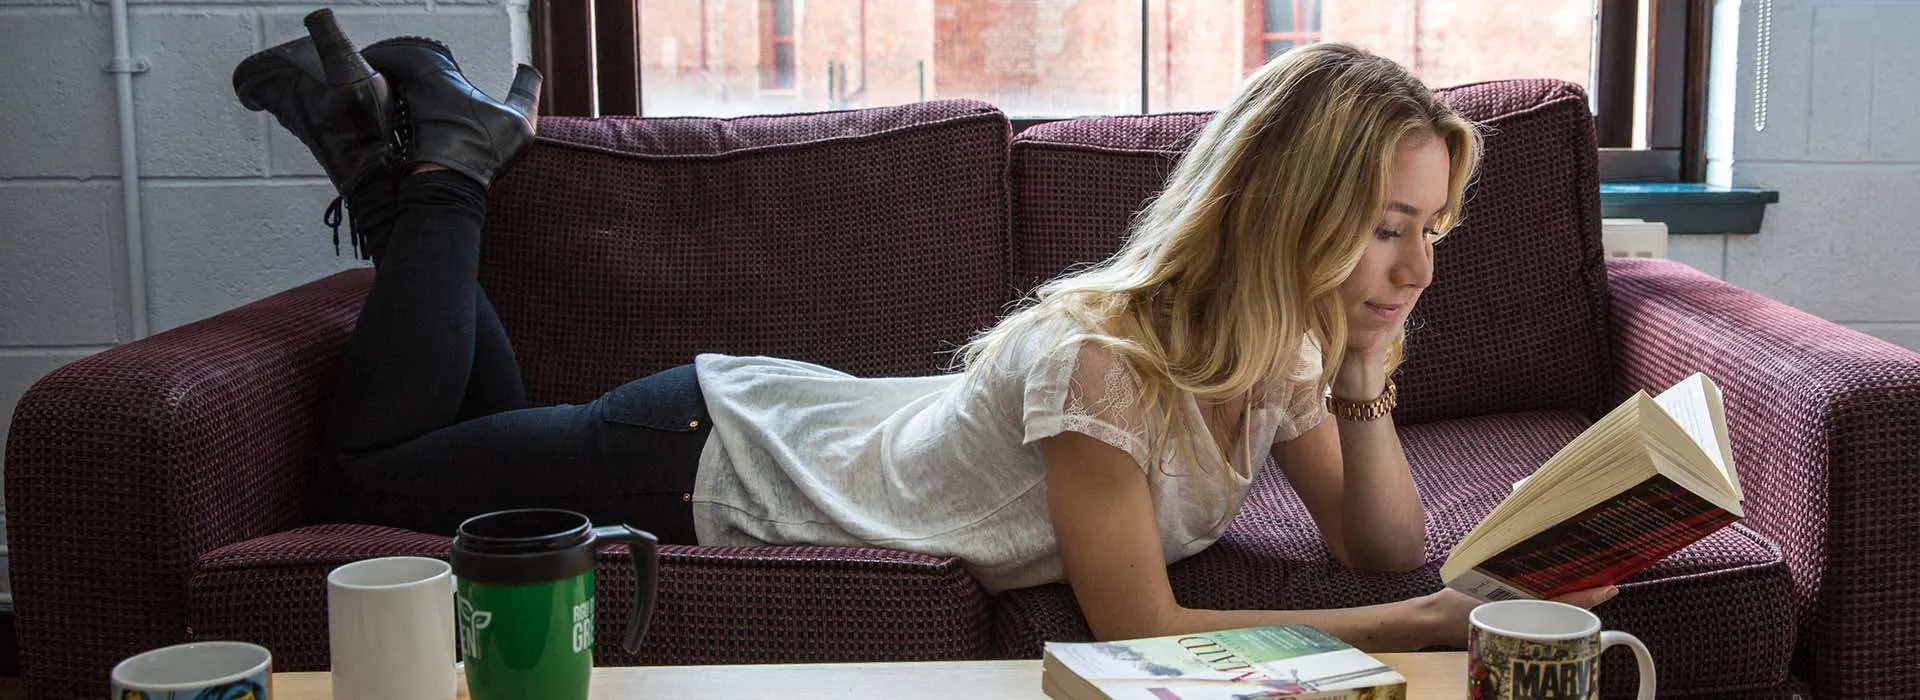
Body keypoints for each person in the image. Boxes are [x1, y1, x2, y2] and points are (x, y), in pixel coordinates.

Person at [236, 11, 1611, 654]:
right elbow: (1139, 628)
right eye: (1386, 223)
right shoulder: (1112, 360)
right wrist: (1418, 627)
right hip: (723, 455)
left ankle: (394, 159)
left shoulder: (1283, 350)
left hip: (776, 414)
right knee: (373, 474)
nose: (1418, 264)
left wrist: (1365, 377)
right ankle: (449, 170)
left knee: (451, 437)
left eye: (1434, 227)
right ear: (1291, 207)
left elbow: (1371, 537)